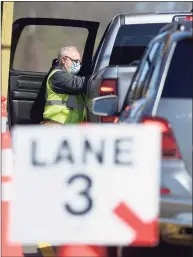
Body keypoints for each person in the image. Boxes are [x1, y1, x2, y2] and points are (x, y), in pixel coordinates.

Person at [41, 46, 87, 125]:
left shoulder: (70, 77)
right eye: (75, 61)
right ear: (64, 60)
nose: (78, 65)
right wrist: (98, 78)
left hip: (70, 129)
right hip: (55, 127)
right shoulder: (57, 76)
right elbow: (79, 84)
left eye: (79, 62)